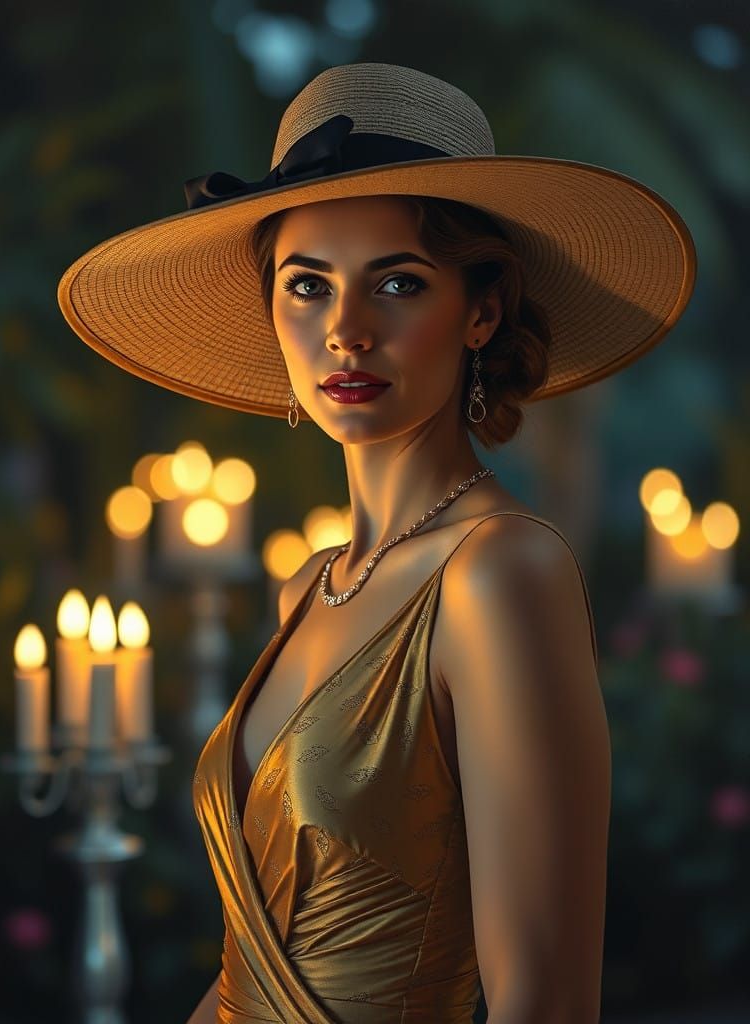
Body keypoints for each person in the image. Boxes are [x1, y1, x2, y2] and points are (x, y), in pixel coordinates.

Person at [58, 62, 696, 1024]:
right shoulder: (310, 588)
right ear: (272, 314)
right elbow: (250, 970)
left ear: (481, 311)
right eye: (307, 286)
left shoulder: (502, 573)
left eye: (397, 283)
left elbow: (550, 1000)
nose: (346, 331)